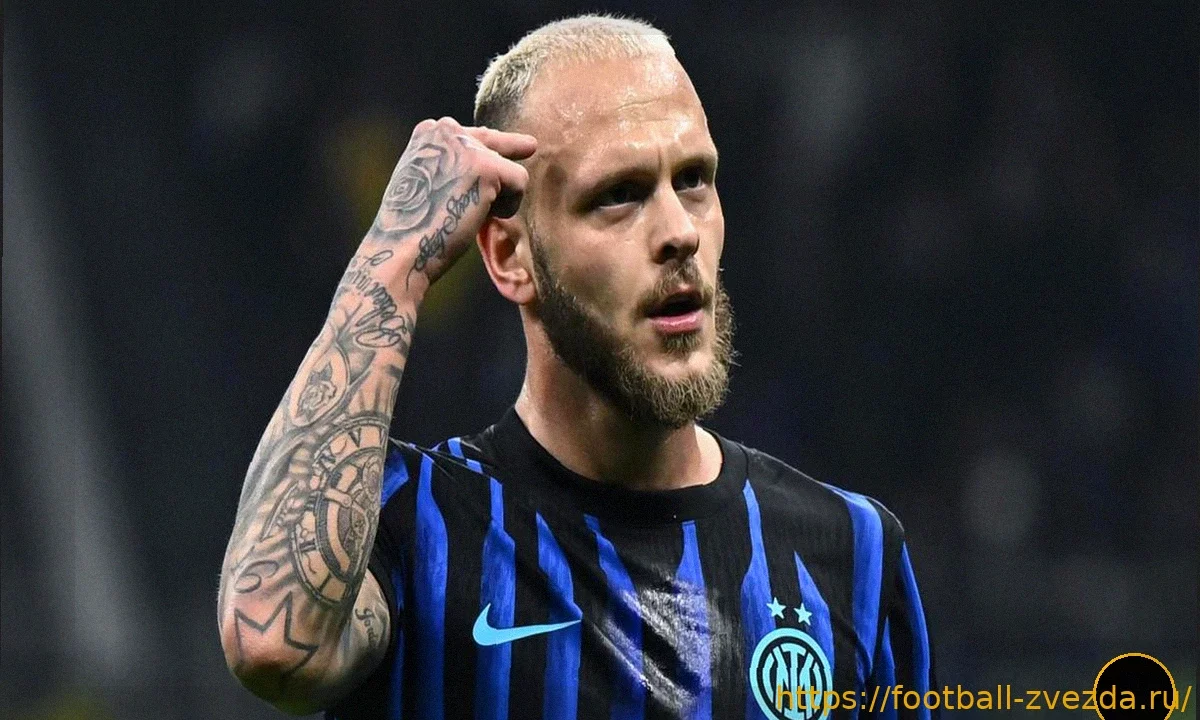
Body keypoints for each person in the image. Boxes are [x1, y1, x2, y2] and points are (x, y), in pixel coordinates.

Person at [218, 14, 936, 720]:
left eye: (694, 180)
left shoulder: (854, 552)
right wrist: (394, 257)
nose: (679, 232)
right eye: (619, 195)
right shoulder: (413, 525)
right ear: (511, 255)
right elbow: (271, 642)